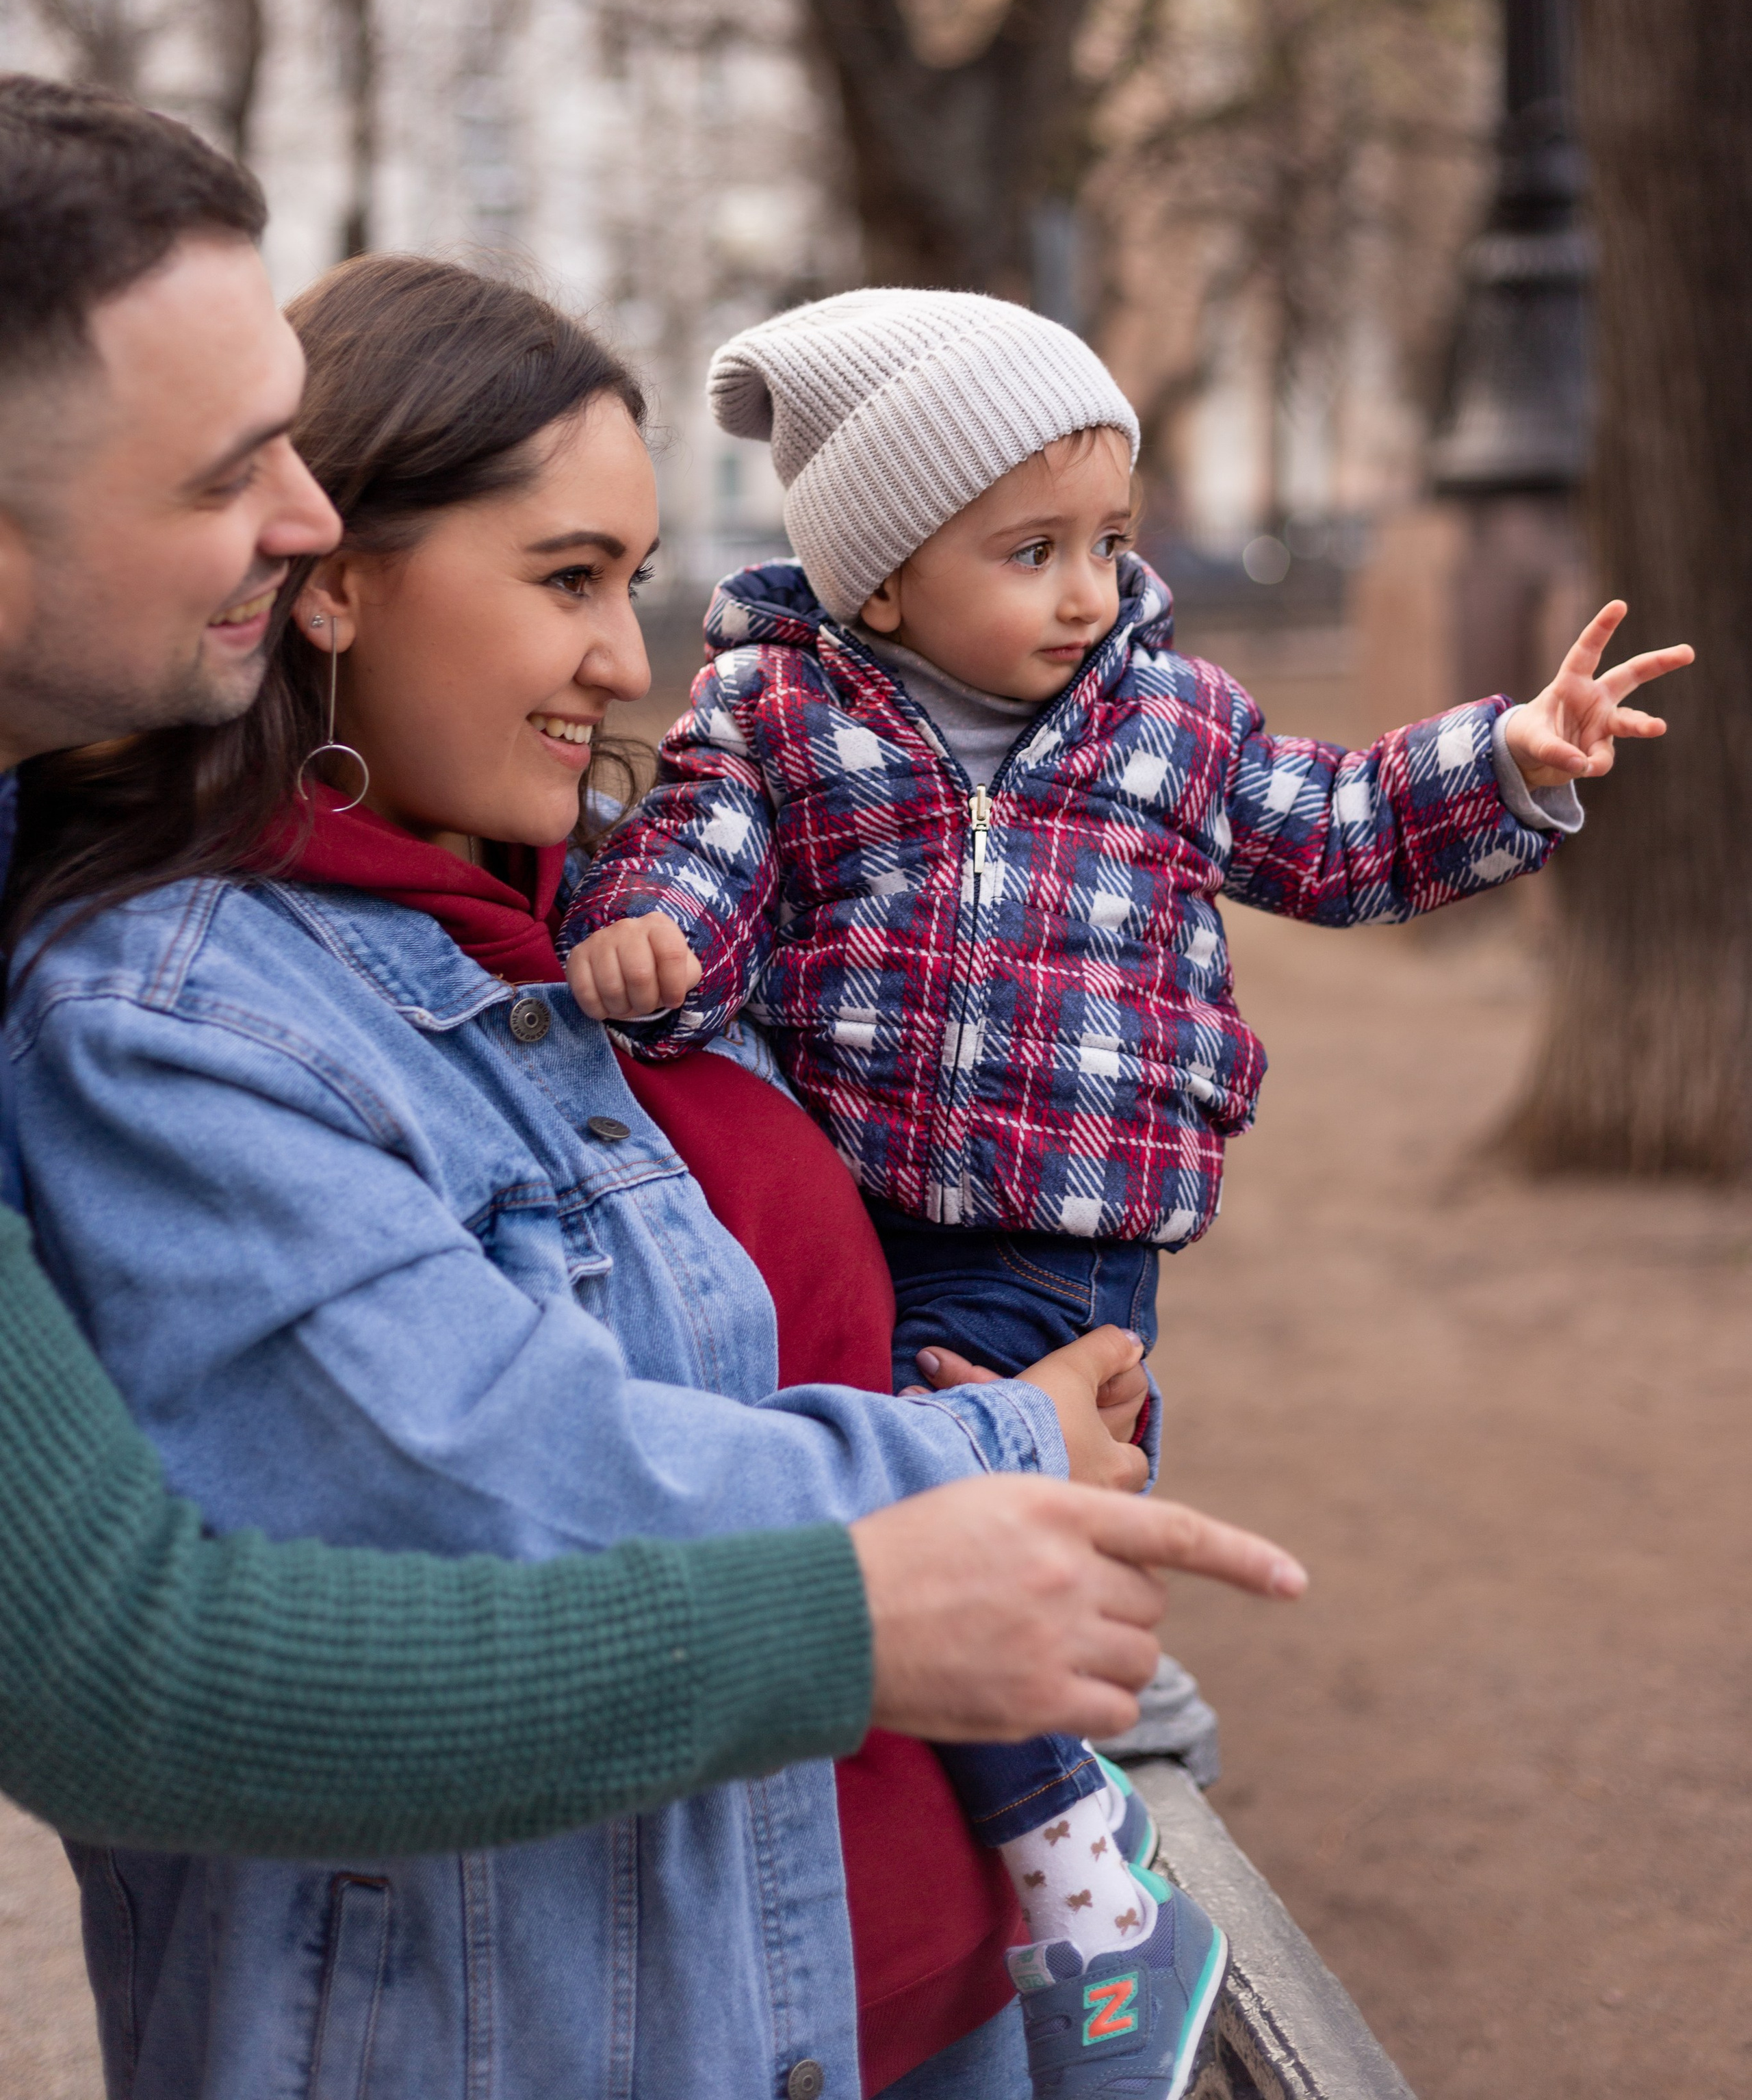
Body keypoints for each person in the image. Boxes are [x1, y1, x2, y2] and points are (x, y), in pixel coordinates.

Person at [4, 243, 1306, 2100]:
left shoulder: (642, 906)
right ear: (336, 584)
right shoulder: (179, 1020)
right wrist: (1006, 1459)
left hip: (922, 1986)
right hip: (573, 2032)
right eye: (565, 581)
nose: (630, 655)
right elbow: (494, 1483)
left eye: (629, 579)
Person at [561, 285, 1695, 2090]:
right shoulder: (772, 710)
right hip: (859, 1214)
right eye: (1030, 551)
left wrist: (1512, 762)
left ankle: (1093, 1893)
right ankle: (1052, 1839)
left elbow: (1335, 826)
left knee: (982, 1506)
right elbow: (703, 846)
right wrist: (648, 940)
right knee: (890, 1519)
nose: (1088, 590)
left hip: (1061, 1239)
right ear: (879, 575)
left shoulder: (1169, 719)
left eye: (1108, 540)